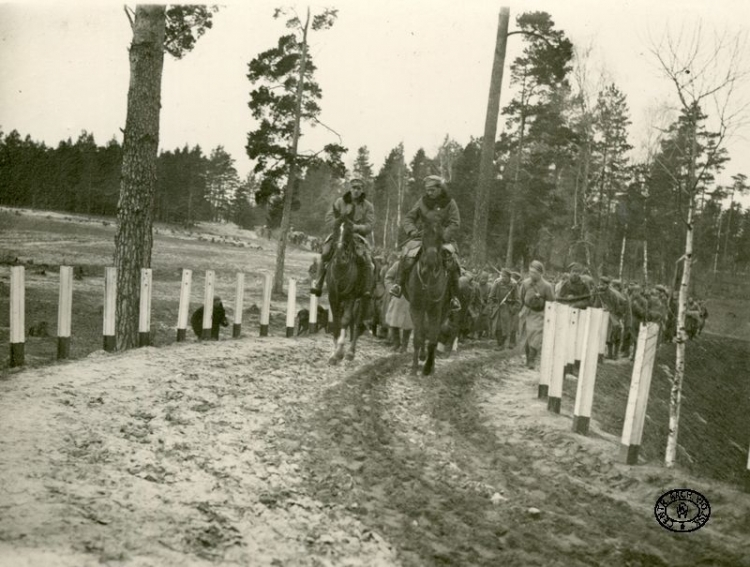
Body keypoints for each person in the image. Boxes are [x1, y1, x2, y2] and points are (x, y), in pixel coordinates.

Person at [388, 175, 462, 311]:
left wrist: (443, 236)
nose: (429, 193)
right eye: (427, 190)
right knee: (407, 255)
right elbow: (408, 219)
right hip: (423, 238)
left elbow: (455, 223)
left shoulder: (450, 203)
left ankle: (454, 297)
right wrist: (412, 231)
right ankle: (398, 285)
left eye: (432, 190)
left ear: (440, 189)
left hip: (443, 240)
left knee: (452, 262)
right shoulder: (422, 202)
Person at [310, 178, 375, 298]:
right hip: (339, 232)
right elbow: (329, 217)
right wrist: (339, 223)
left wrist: (356, 227)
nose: (356, 190)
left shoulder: (368, 206)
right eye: (354, 188)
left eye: (359, 188)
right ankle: (318, 284)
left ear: (362, 190)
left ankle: (366, 289)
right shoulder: (340, 201)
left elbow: (370, 225)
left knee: (368, 262)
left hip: (357, 235)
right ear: (350, 189)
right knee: (324, 254)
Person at [519, 260, 555, 368]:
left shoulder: (547, 286)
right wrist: (521, 312)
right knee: (526, 337)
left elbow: (551, 302)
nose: (531, 274)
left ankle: (531, 360)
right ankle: (527, 359)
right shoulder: (525, 283)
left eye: (534, 272)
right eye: (530, 272)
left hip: (539, 314)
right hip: (527, 312)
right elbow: (521, 297)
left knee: (536, 338)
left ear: (540, 273)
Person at [489, 268, 520, 349]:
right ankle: (500, 344)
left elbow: (518, 300)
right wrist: (493, 306)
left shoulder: (514, 285)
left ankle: (511, 342)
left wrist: (513, 309)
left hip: (509, 309)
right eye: (502, 276)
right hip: (498, 308)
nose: (503, 278)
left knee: (510, 327)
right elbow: (491, 297)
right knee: (498, 327)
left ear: (509, 277)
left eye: (505, 276)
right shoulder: (497, 283)